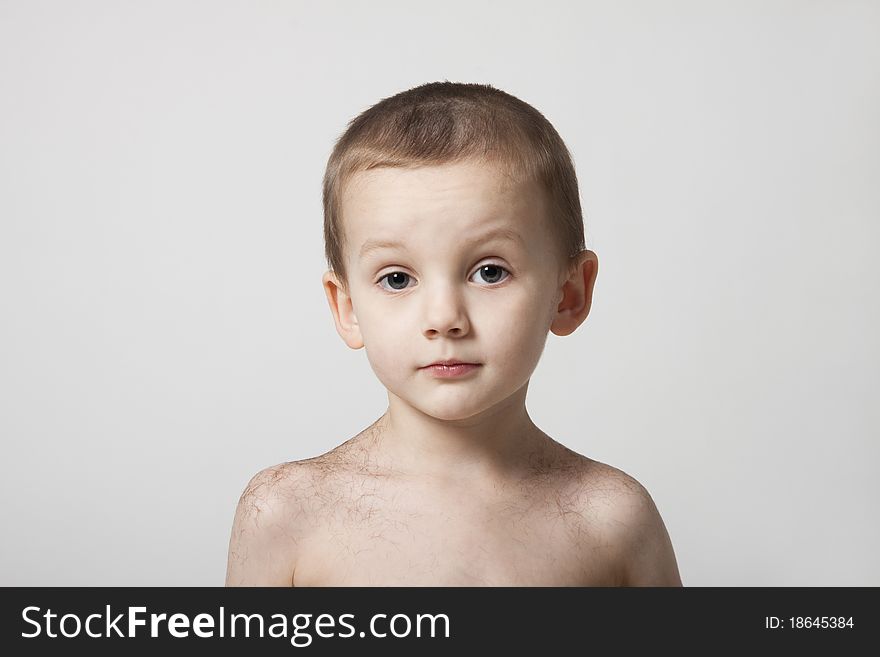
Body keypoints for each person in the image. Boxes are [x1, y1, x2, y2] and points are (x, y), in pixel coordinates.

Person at [225, 81, 682, 586]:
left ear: (569, 293)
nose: (444, 318)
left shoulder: (614, 521)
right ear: (348, 307)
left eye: (489, 271)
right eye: (397, 278)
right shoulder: (287, 514)